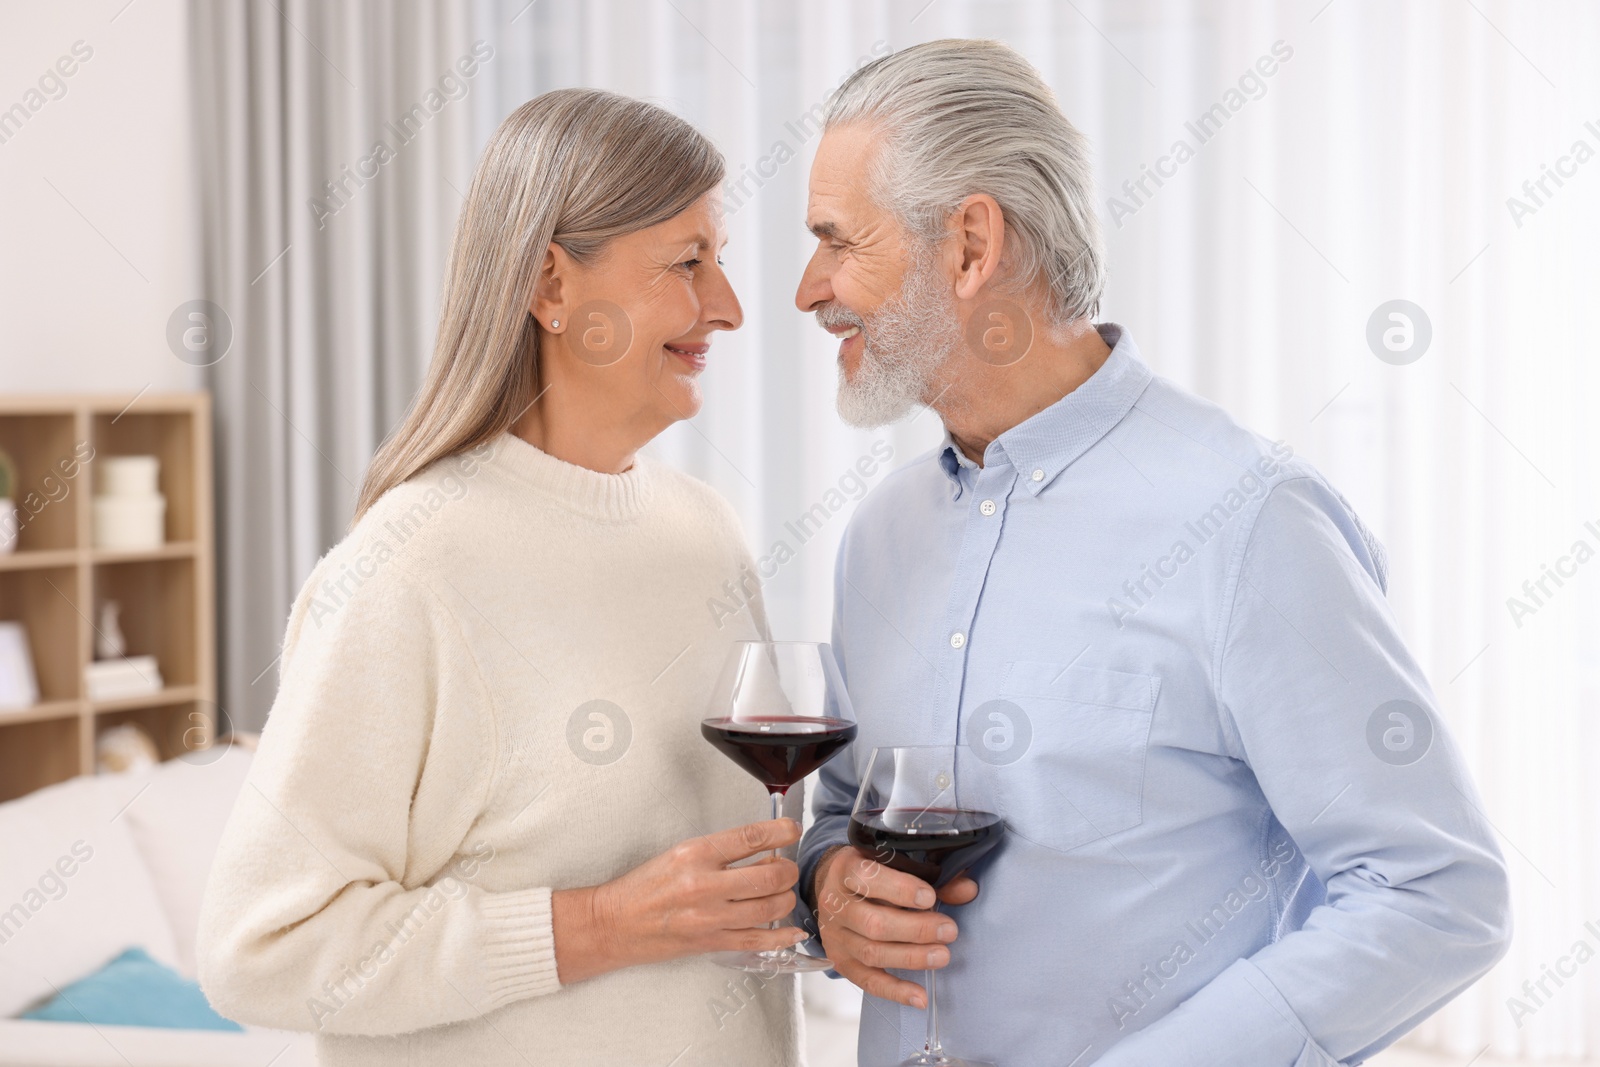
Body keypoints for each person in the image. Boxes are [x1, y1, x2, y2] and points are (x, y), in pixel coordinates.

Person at [794, 39, 1512, 1066]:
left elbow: (1438, 892)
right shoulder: (879, 538)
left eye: (837, 240)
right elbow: (842, 809)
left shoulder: (1248, 519)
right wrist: (829, 884)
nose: (807, 286)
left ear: (968, 246)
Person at [197, 89, 804, 1066]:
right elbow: (260, 949)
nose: (728, 307)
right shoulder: (410, 569)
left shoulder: (706, 532)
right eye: (687, 263)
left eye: (720, 260)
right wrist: (598, 922)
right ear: (551, 285)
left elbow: (746, 876)